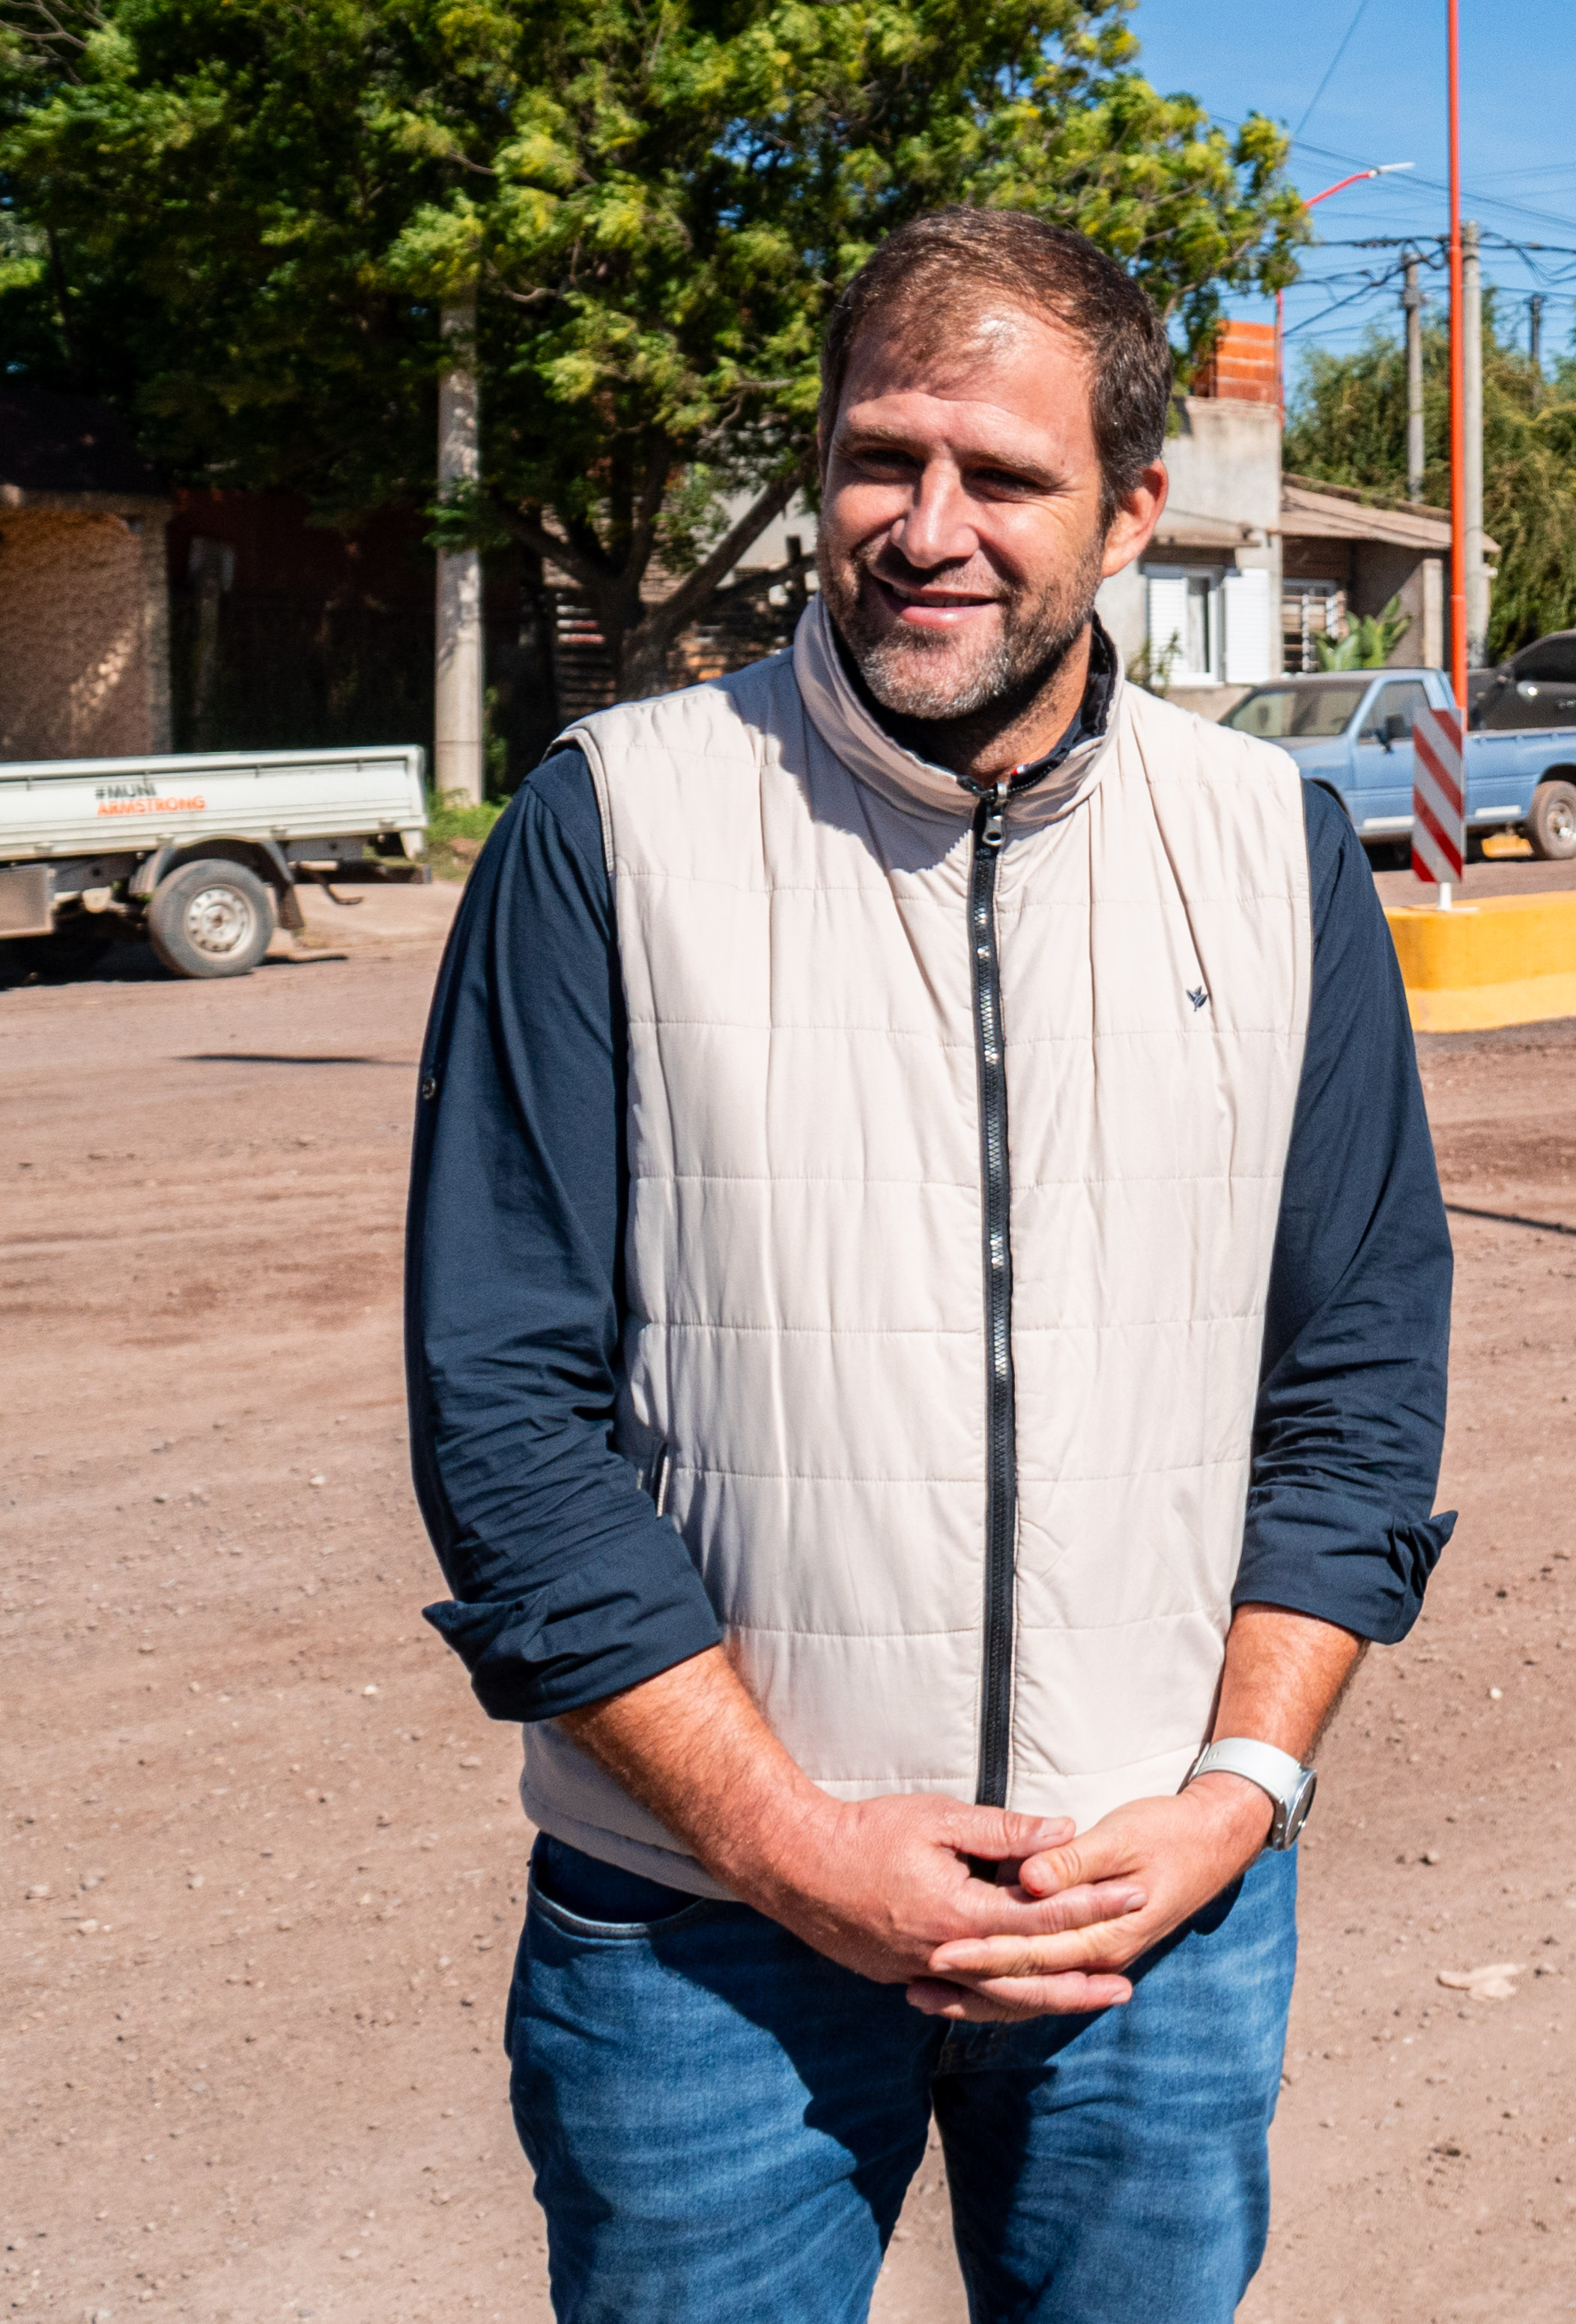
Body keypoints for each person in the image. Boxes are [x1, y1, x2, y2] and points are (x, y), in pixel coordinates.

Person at [404, 207, 1452, 2320]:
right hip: (704, 1932)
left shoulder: (1270, 853)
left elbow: (1356, 1377)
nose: (926, 524)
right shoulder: (612, 823)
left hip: (1143, 1925)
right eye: (881, 455)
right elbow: (503, 1407)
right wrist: (787, 1840)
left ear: (1137, 508)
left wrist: (1237, 1791)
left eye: (1005, 474)